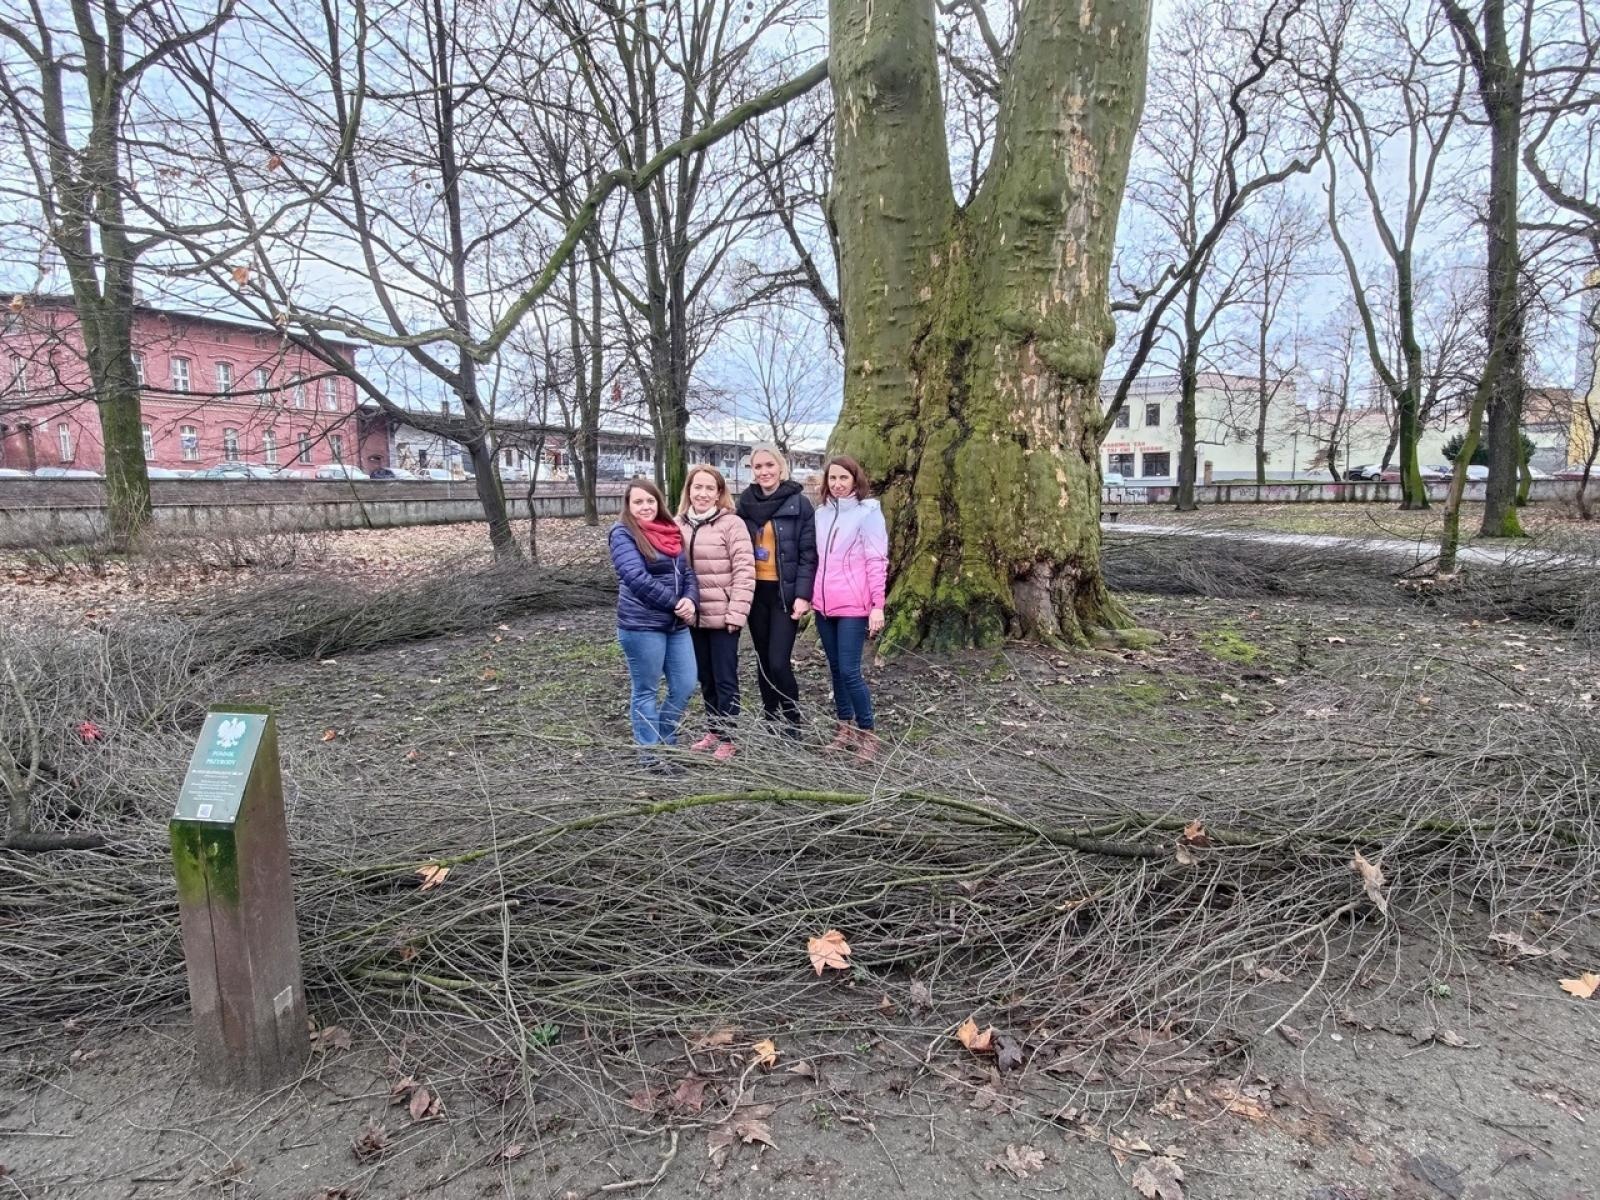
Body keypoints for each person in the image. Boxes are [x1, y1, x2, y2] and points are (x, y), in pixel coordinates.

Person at [608, 479, 699, 771]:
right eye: (638, 502)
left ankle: (666, 745)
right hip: (642, 625)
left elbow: (688, 572)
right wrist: (675, 603)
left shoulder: (671, 531)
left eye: (650, 501)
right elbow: (635, 577)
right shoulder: (622, 533)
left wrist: (690, 600)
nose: (645, 507)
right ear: (628, 506)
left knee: (684, 684)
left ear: (658, 502)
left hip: (676, 625)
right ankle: (650, 758)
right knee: (646, 690)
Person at [734, 445, 817, 735]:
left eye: (770, 465)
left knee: (779, 661)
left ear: (781, 467)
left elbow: (808, 554)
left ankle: (793, 720)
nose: (764, 471)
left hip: (785, 594)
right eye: (758, 467)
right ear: (752, 471)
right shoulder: (744, 504)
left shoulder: (799, 503)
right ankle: (771, 718)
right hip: (755, 595)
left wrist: (803, 595)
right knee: (762, 660)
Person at [812, 455, 888, 761]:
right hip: (823, 606)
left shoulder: (867, 514)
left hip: (854, 606)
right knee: (835, 670)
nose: (837, 484)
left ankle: (867, 733)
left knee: (850, 671)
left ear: (855, 480)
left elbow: (876, 560)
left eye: (844, 478)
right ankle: (844, 726)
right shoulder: (821, 514)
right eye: (832, 478)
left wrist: (877, 606)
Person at [676, 465, 755, 761]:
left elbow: (745, 570)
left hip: (723, 616)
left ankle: (730, 736)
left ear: (719, 493)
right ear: (689, 490)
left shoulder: (731, 524)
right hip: (692, 616)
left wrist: (737, 612)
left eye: (710, 488)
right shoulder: (678, 523)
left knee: (725, 677)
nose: (703, 493)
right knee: (705, 677)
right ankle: (713, 728)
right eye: (698, 487)